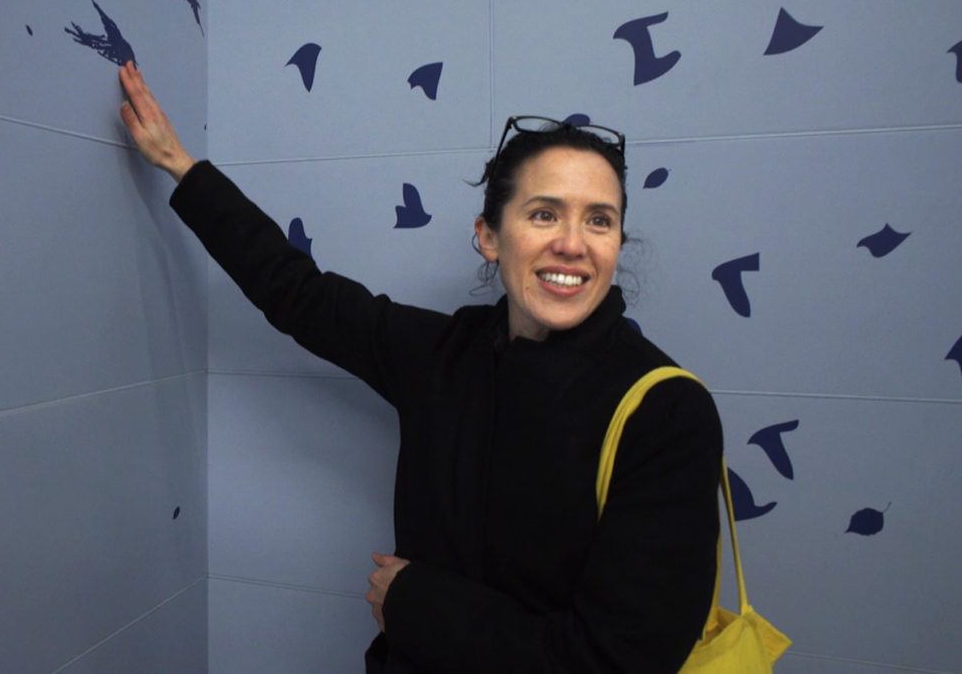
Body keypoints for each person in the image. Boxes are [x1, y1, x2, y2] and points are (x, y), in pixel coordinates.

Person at [117, 60, 722, 672]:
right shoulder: (444, 356)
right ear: (489, 236)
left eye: (599, 220)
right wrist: (182, 168)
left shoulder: (666, 412)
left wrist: (416, 603)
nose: (572, 243)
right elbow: (300, 294)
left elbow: (616, 662)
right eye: (544, 214)